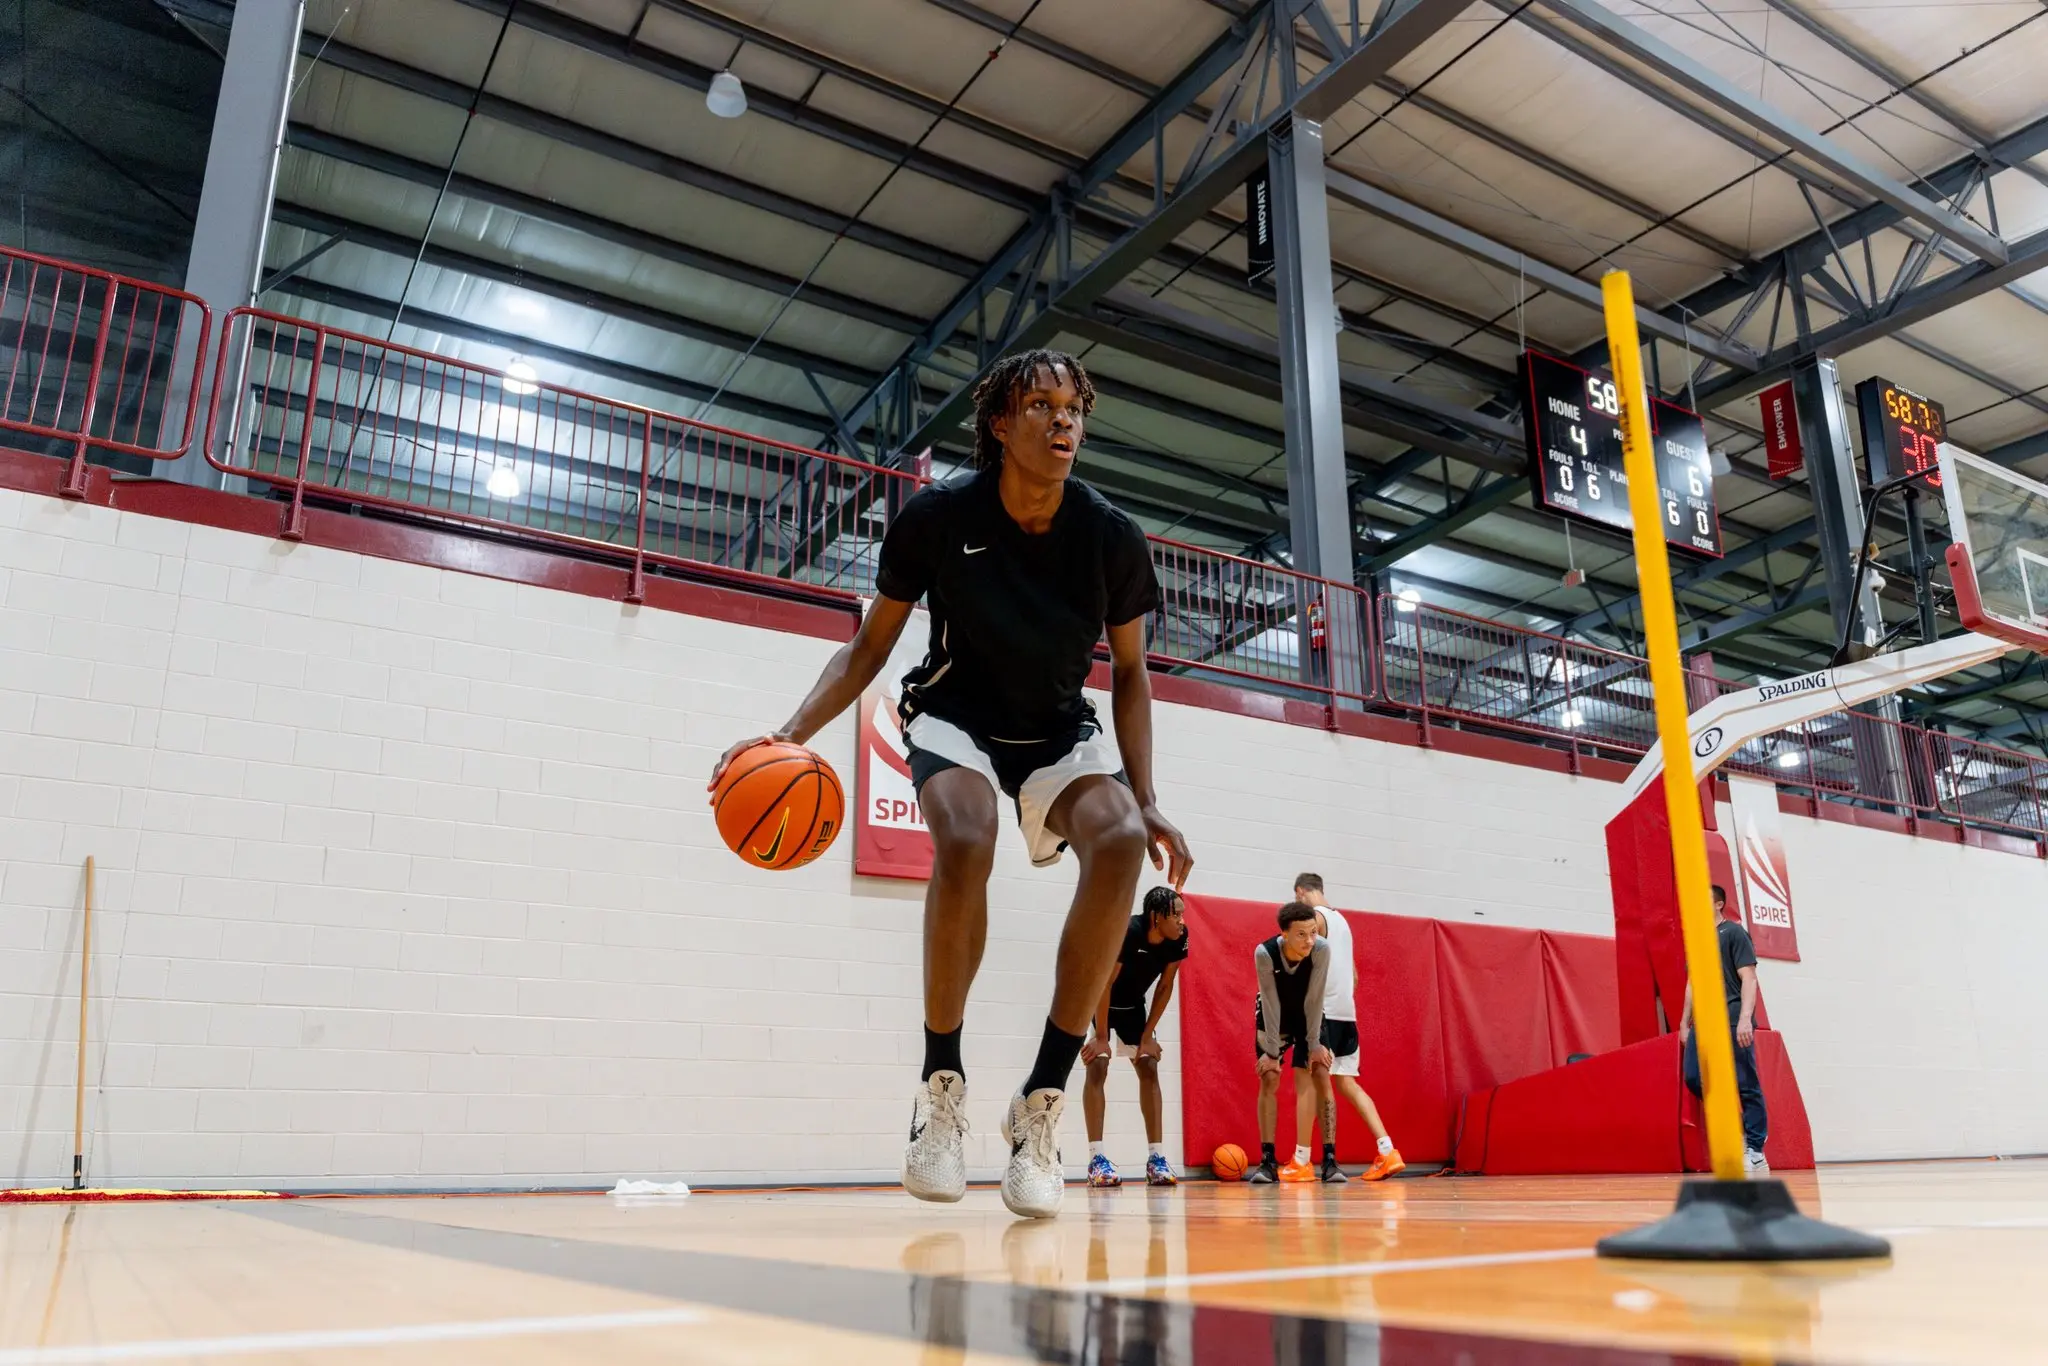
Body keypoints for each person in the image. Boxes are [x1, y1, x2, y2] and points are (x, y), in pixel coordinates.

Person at [709, 350, 1193, 1221]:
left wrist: (1146, 791)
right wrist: (787, 736)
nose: (1062, 421)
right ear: (1001, 424)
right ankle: (941, 1086)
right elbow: (868, 646)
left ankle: (1040, 1104)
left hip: (1053, 727)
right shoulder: (937, 517)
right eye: (1040, 404)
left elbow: (1129, 672)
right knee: (967, 837)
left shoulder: (1111, 535)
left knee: (1121, 841)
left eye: (1074, 407)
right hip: (953, 711)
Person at [1292, 874, 1404, 1183]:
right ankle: (1387, 1150)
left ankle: (1302, 1160)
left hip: (1322, 1014)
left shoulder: (1313, 918)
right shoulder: (1343, 923)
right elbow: (1353, 975)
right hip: (1346, 1014)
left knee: (1305, 1083)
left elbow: (1302, 962)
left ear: (1301, 892)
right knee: (1347, 1085)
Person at [1081, 886, 1189, 1188]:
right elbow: (1104, 983)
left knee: (1148, 1065)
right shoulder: (1127, 932)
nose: (1181, 920)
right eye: (1176, 914)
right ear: (1156, 917)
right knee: (1099, 1063)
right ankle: (1096, 1160)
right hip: (1100, 998)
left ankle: (1157, 1159)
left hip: (1133, 1006)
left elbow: (1165, 986)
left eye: (1183, 914)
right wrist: (1102, 1036)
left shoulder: (1178, 937)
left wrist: (1146, 1036)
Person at [1678, 885, 1770, 1174]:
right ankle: (1734, 1129)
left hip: (1731, 1018)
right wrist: (1684, 1022)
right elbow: (1692, 983)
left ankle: (1754, 1149)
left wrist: (1745, 1017)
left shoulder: (1733, 933)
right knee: (1694, 1077)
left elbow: (1749, 978)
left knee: (1746, 1083)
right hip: (1703, 1023)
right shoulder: (1698, 940)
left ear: (1719, 904)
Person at [1247, 903, 1332, 1185]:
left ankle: (1330, 1160)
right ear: (1284, 934)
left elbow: (1315, 999)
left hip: (1308, 1013)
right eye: (1301, 935)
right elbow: (1270, 1003)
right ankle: (1268, 1161)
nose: (1310, 940)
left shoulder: (1321, 949)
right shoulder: (1265, 953)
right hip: (1276, 1016)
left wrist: (1314, 1043)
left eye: (1313, 932)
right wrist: (1272, 1053)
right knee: (1269, 1077)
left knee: (1321, 1071)